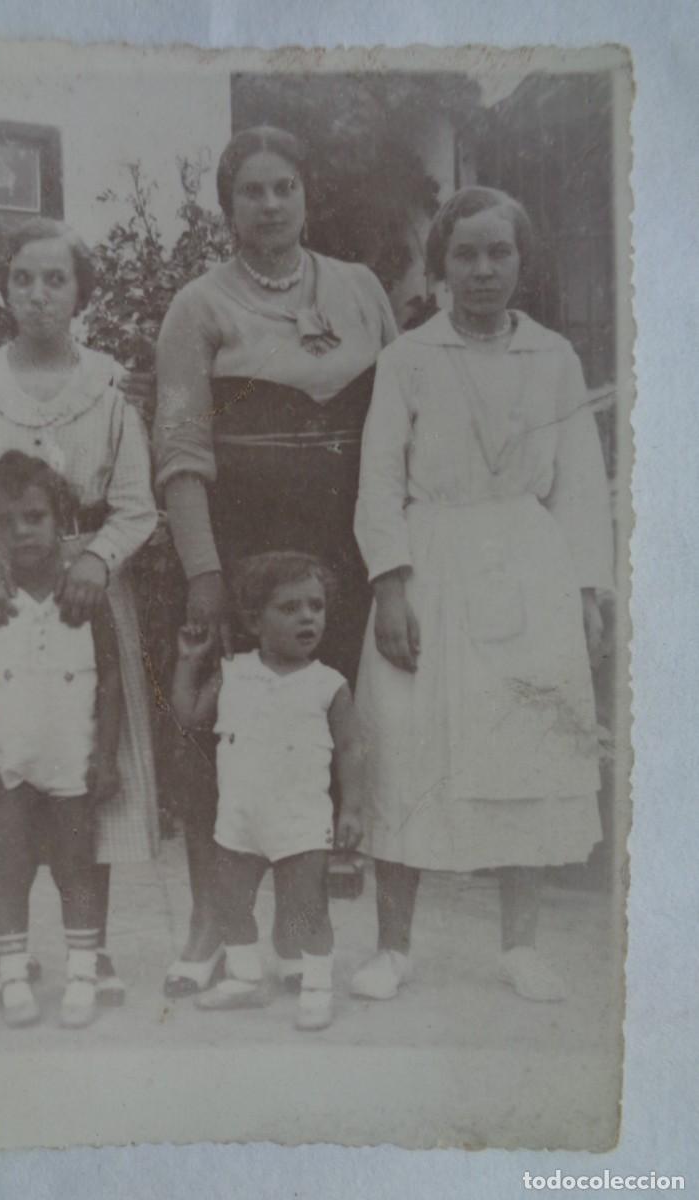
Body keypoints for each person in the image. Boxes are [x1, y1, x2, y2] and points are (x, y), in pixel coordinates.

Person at [352, 186, 614, 1003]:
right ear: (441, 267)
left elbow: (581, 485)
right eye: (465, 254)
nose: (483, 270)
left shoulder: (555, 358)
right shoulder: (409, 359)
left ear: (522, 263)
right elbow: (378, 481)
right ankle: (394, 947)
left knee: (526, 749)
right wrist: (390, 583)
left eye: (499, 252)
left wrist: (587, 589)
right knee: (405, 742)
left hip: (529, 569)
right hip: (431, 562)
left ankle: (521, 946)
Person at [154, 126, 398, 995]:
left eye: (283, 187)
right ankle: (210, 926)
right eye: (251, 191)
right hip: (245, 545)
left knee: (320, 737)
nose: (270, 204)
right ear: (227, 208)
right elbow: (180, 449)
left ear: (306, 193)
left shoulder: (362, 290)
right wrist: (205, 573)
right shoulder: (199, 305)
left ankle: (304, 933)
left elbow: (401, 417)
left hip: (345, 544)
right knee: (223, 740)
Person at [0, 217, 159, 1005]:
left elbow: (138, 506)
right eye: (23, 279)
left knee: (87, 766)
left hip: (84, 597)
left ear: (81, 292)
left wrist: (95, 559)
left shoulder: (108, 390)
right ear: (2, 290)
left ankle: (92, 949)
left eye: (56, 280)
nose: (39, 295)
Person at [171, 552, 364, 1031]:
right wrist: (187, 664)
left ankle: (317, 985)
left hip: (300, 820)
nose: (307, 617)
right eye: (290, 607)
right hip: (239, 818)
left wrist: (353, 808)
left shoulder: (329, 684)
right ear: (255, 621)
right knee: (230, 901)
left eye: (315, 606)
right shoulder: (233, 671)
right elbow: (189, 715)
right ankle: (244, 977)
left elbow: (351, 750)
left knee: (307, 907)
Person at [0, 453, 123, 1028]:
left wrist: (105, 757)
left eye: (34, 516)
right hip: (10, 763)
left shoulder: (83, 597)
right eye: (5, 521)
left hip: (70, 763)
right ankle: (11, 973)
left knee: (76, 866)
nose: (21, 530)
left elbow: (110, 678)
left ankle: (82, 969)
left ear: (62, 520)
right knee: (9, 868)